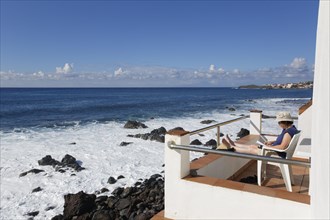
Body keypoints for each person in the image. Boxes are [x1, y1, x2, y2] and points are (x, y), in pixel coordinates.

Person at [221, 112, 298, 158]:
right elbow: (284, 141)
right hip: (274, 149)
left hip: (276, 153)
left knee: (251, 150)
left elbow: (282, 147)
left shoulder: (288, 132)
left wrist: (269, 147)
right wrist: (272, 142)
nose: (278, 124)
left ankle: (233, 148)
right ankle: (233, 144)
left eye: (279, 122)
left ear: (285, 122)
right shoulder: (290, 129)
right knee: (252, 146)